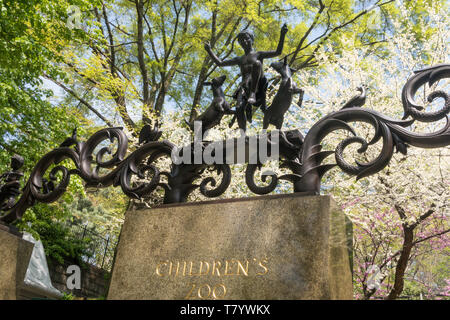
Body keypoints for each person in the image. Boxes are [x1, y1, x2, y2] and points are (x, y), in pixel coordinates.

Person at [204, 23, 288, 130]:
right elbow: (220, 63)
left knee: (257, 64)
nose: (244, 41)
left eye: (246, 38)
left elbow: (278, 52)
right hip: (245, 87)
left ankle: (252, 94)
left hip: (258, 84)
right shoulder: (239, 59)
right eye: (241, 40)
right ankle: (243, 135)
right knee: (239, 108)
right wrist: (209, 50)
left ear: (251, 40)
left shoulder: (258, 54)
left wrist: (282, 34)